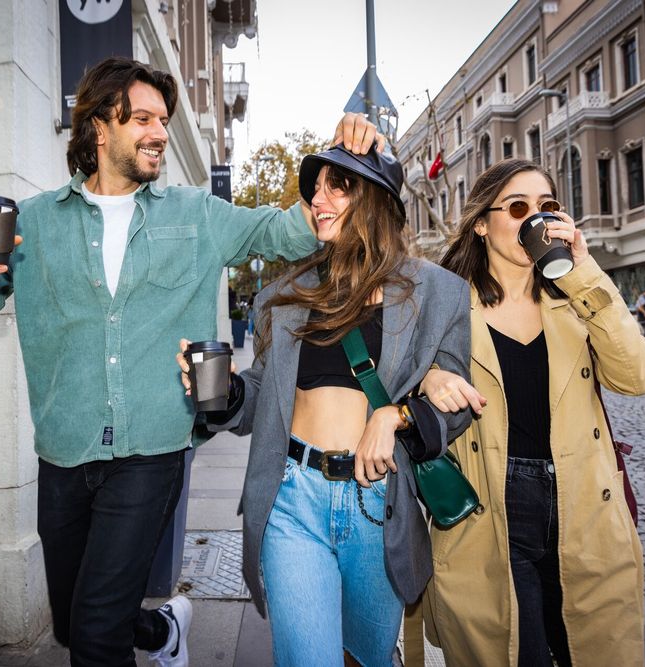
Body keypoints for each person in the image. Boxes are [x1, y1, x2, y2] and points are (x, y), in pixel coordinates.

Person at [0, 56, 382, 667]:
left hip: (153, 451)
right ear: (98, 128)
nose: (160, 131)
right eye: (141, 118)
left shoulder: (197, 214)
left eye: (163, 119)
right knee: (74, 620)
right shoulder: (31, 224)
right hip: (64, 451)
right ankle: (162, 632)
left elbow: (290, 232)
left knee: (94, 636)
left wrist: (342, 159)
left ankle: (132, 633)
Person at [177, 146, 472, 666]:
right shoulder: (285, 296)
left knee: (367, 657)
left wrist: (396, 415)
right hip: (293, 500)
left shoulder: (439, 293)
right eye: (315, 189)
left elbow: (459, 403)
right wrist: (222, 392)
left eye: (338, 186)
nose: (318, 199)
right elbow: (258, 398)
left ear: (377, 201)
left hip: (376, 503)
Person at [418, 158, 645, 666]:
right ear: (482, 223)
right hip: (490, 508)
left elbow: (637, 377)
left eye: (547, 207)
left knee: (593, 650)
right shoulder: (445, 305)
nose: (536, 218)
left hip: (584, 508)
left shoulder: (576, 301)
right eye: (518, 207)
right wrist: (426, 378)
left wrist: (583, 271)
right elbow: (392, 380)